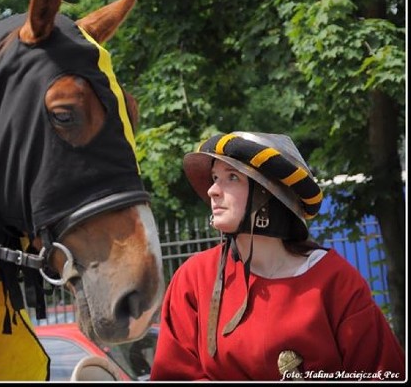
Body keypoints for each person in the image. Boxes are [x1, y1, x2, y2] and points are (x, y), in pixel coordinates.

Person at [150, 131, 405, 381]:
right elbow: (172, 376)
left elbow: (383, 374)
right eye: (215, 177)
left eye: (232, 178)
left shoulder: (336, 280)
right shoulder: (194, 278)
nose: (213, 190)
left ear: (269, 195)